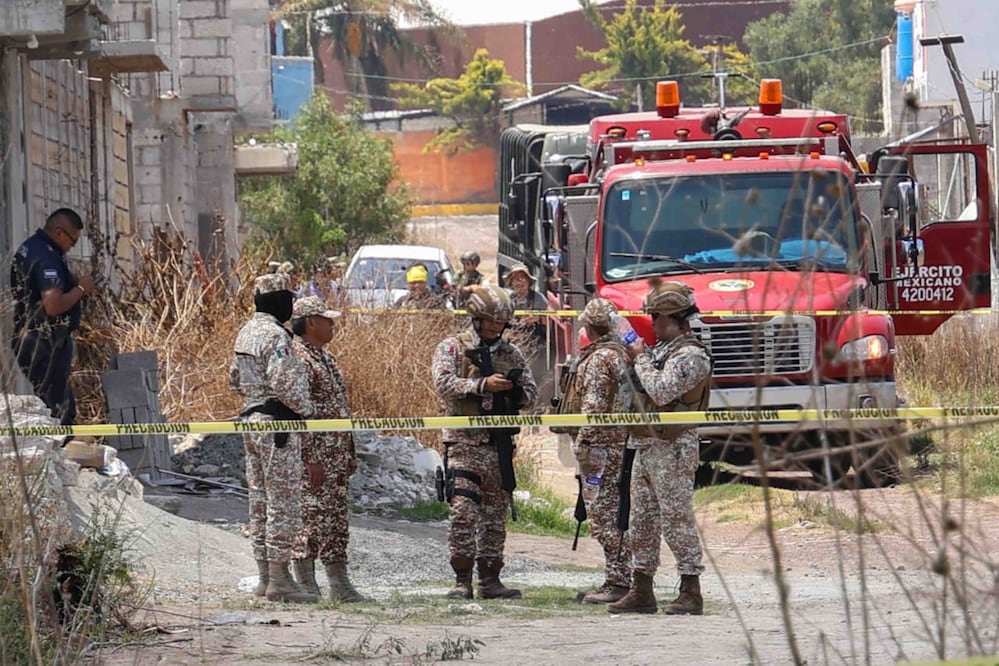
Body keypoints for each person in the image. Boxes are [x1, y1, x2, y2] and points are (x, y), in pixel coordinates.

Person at [608, 279, 712, 615]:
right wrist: (634, 361)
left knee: (677, 521)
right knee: (642, 522)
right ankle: (642, 589)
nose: (653, 324)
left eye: (658, 319)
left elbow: (662, 391)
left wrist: (640, 360)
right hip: (646, 444)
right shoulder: (661, 352)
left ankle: (691, 590)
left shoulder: (692, 356)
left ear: (676, 319)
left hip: (673, 448)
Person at [431, 285, 537, 600]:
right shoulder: (453, 347)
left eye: (501, 322)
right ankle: (461, 580)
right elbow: (443, 384)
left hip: (498, 445)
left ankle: (490, 580)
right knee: (463, 510)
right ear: (476, 318)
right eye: (490, 320)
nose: (495, 326)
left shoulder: (511, 353)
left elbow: (531, 394)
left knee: (494, 516)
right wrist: (481, 385)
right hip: (464, 443)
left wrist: (515, 391)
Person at [230, 273, 317, 604]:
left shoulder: (246, 332)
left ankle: (266, 578)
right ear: (279, 300)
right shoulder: (276, 336)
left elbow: (234, 381)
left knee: (259, 499)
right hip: (277, 424)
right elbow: (286, 384)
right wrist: (307, 409)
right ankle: (280, 580)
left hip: (251, 420)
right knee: (282, 501)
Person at [288, 296, 366, 602]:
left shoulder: (325, 358)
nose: (332, 324)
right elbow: (299, 414)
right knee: (311, 516)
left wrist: (349, 452)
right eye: (327, 319)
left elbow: (339, 410)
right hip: (315, 458)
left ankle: (339, 583)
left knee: (335, 519)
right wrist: (311, 458)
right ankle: (306, 583)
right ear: (310, 322)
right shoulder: (298, 358)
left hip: (336, 455)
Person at [572, 298, 635, 604]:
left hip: (599, 450)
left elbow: (594, 409)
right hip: (619, 445)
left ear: (591, 327)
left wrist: (582, 443)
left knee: (602, 515)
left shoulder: (599, 359)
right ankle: (619, 578)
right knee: (615, 511)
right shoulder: (622, 354)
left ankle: (619, 582)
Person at [10, 208, 96, 426]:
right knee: (61, 412)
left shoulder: (31, 246)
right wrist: (81, 288)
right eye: (73, 241)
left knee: (53, 405)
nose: (72, 247)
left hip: (31, 338)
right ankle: (60, 455)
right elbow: (53, 305)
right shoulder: (47, 257)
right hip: (44, 342)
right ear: (59, 232)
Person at [504, 264, 553, 408]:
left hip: (535, 344)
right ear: (511, 282)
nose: (520, 282)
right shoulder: (507, 299)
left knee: (536, 377)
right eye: (516, 279)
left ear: (529, 281)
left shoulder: (538, 298)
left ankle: (535, 408)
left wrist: (537, 318)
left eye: (523, 279)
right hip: (513, 343)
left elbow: (550, 320)